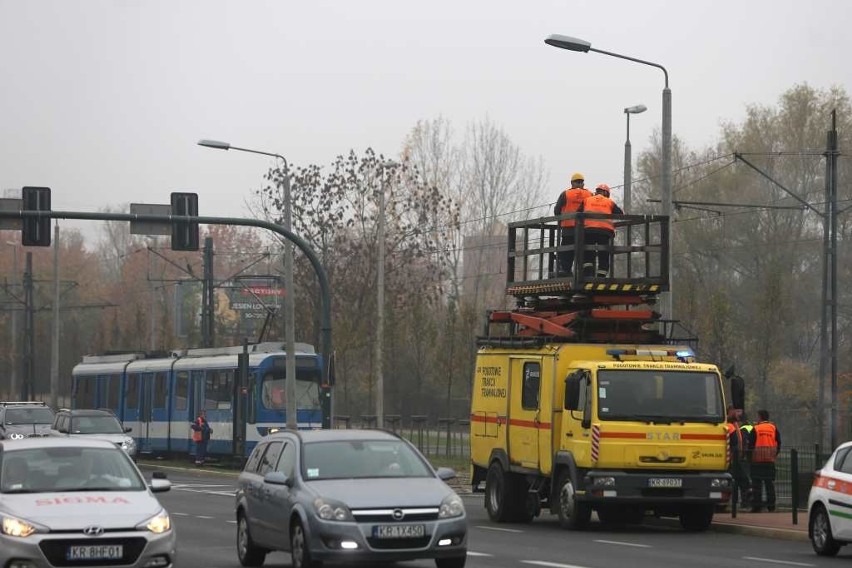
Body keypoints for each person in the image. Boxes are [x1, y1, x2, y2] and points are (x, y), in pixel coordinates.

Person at [578, 183, 623, 277]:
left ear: (596, 191)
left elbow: (578, 213)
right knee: (604, 253)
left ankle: (588, 272)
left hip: (588, 230)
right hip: (605, 232)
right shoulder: (609, 202)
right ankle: (601, 275)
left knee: (587, 251)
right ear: (606, 193)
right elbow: (620, 214)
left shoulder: (587, 200)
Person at [553, 172, 592, 277]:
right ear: (583, 183)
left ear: (572, 183)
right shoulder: (590, 194)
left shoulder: (565, 194)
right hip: (585, 229)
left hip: (568, 229)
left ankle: (565, 271)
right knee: (585, 250)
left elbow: (556, 211)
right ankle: (586, 273)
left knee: (566, 250)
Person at [749, 409, 781, 512]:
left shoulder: (756, 429)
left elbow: (750, 445)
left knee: (757, 485)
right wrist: (774, 455)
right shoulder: (773, 428)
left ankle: (757, 506)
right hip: (770, 460)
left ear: (760, 417)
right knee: (769, 484)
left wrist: (750, 458)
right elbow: (779, 443)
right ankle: (771, 506)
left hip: (757, 460)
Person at [725, 406, 749, 508]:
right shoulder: (730, 426)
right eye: (736, 411)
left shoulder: (734, 425)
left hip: (736, 457)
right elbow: (735, 442)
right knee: (739, 480)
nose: (738, 414)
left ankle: (738, 503)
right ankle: (736, 503)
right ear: (730, 413)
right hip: (732, 459)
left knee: (739, 480)